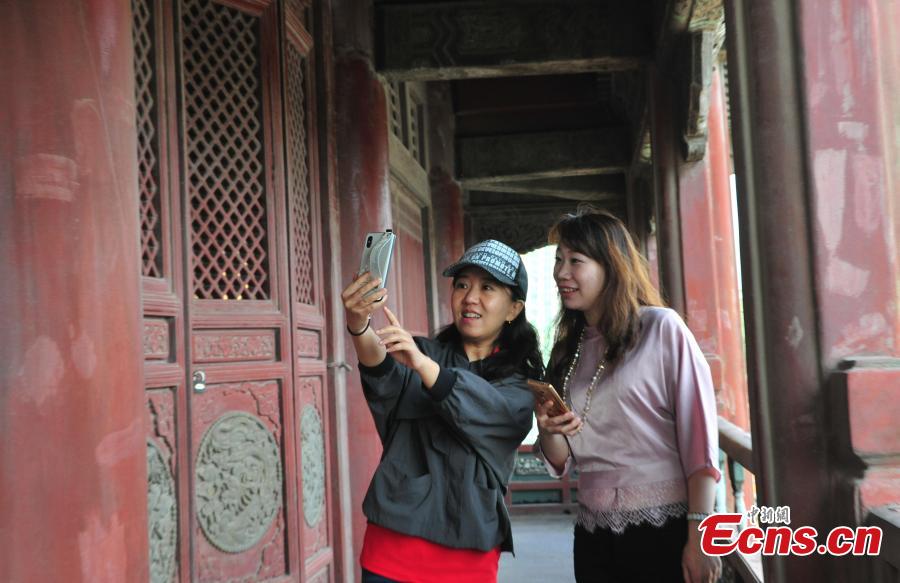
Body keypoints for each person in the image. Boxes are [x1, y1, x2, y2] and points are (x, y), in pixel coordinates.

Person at [534, 209, 722, 583]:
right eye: (558, 260)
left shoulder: (661, 328)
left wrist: (700, 537)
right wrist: (549, 429)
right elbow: (560, 457)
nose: (561, 273)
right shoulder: (567, 350)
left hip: (664, 526)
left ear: (611, 266)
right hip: (592, 532)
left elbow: (700, 444)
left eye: (575, 261)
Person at [342, 239, 543, 583]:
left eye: (487, 287)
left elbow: (493, 413)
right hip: (392, 548)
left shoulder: (521, 384)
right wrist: (359, 324)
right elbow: (383, 373)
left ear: (513, 309)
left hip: (469, 555)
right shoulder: (421, 352)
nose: (470, 297)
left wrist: (425, 367)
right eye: (462, 285)